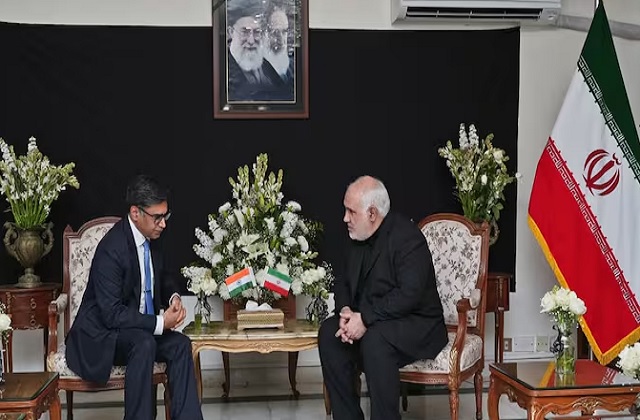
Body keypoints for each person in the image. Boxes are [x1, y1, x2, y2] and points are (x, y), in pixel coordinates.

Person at [65, 175, 203, 420]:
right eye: (157, 217)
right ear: (135, 213)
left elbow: (164, 275)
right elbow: (112, 314)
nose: (163, 224)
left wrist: (173, 297)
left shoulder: (154, 236)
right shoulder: (112, 249)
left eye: (166, 216)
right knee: (144, 343)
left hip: (138, 329)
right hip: (104, 335)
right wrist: (161, 322)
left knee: (181, 345)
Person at [318, 175, 448, 420]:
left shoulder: (407, 238)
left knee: (375, 340)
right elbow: (343, 281)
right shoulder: (356, 235)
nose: (345, 218)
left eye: (351, 211)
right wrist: (345, 312)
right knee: (329, 333)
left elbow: (408, 295)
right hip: (374, 319)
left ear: (372, 213)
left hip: (416, 323)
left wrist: (364, 319)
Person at [226, 0, 291, 102]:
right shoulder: (224, 70)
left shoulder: (265, 66)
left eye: (256, 32)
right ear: (230, 32)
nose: (251, 41)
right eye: (245, 32)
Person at [263, 6, 294, 83]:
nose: (281, 38)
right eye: (276, 32)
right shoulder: (257, 70)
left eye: (284, 31)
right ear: (266, 33)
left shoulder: (293, 67)